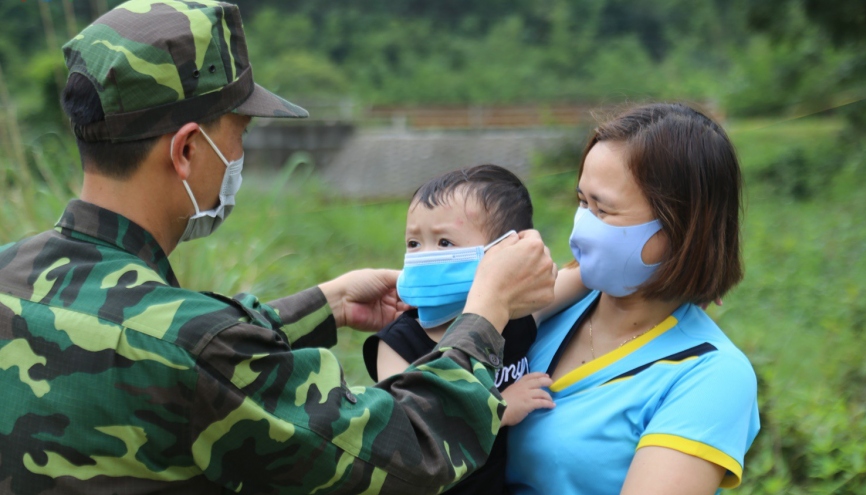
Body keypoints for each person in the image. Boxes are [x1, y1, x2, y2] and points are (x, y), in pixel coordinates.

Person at [0, 2, 558, 494]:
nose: (241, 153)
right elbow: (412, 450)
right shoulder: (193, 345)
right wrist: (487, 311)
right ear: (187, 150)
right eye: (239, 133)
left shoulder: (11, 271)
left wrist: (327, 304)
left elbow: (176, 342)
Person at [506, 103, 760, 495]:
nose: (583, 224)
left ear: (681, 227)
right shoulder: (551, 310)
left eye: (604, 210)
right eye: (581, 202)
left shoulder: (711, 376)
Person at [363, 164, 586, 494]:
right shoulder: (398, 344)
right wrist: (499, 409)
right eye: (413, 243)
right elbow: (403, 438)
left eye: (444, 242)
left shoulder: (519, 314)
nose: (424, 257)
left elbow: (586, 274)